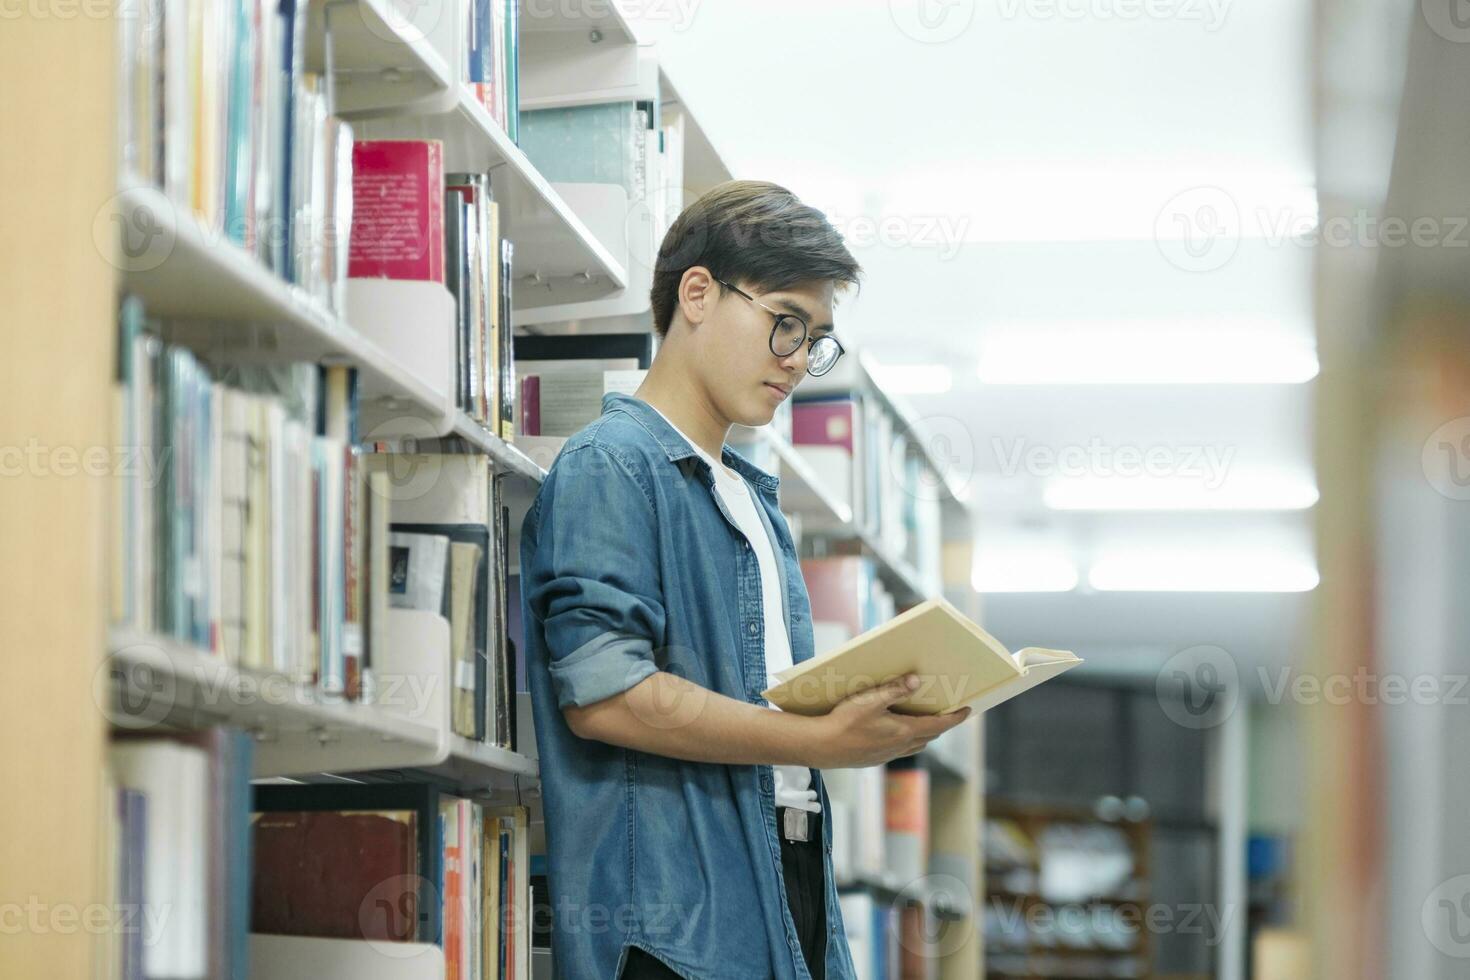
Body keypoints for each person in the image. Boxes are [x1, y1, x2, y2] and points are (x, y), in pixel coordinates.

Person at [520, 180, 972, 979]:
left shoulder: (753, 500)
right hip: (675, 921)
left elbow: (749, 699)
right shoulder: (612, 466)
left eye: (815, 338)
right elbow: (604, 693)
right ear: (698, 293)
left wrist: (861, 707)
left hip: (786, 875)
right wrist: (818, 740)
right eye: (784, 325)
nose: (799, 360)